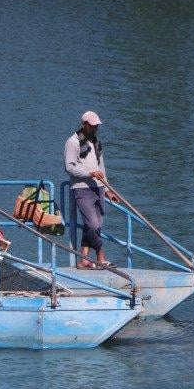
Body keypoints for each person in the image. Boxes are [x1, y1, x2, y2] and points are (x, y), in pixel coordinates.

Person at [64, 110, 121, 269]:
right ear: (84, 124)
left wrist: (108, 188)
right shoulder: (73, 142)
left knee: (94, 225)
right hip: (82, 189)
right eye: (92, 125)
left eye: (97, 126)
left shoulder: (95, 141)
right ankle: (101, 257)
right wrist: (89, 174)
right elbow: (69, 167)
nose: (95, 128)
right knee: (93, 225)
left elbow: (100, 167)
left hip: (99, 187)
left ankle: (83, 259)